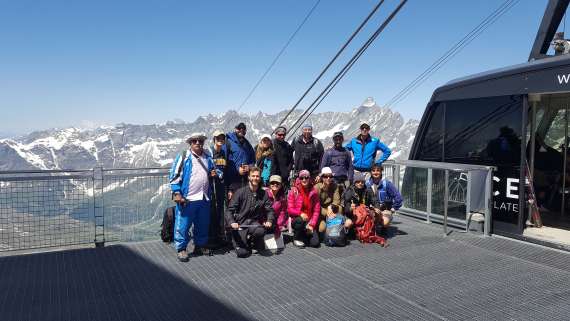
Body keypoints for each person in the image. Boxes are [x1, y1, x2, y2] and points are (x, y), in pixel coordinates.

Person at [169, 132, 218, 262]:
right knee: (183, 224)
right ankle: (181, 249)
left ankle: (200, 246)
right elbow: (174, 176)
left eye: (200, 141)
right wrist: (177, 193)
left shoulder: (208, 156)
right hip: (187, 198)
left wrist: (214, 173)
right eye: (194, 141)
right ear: (190, 143)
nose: (198, 143)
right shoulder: (184, 157)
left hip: (204, 197)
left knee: (202, 223)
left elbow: (215, 170)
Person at [225, 167, 275, 258]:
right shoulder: (240, 192)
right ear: (249, 177)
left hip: (253, 223)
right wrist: (232, 222)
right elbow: (229, 210)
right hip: (240, 224)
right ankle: (237, 239)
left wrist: (269, 220)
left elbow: (270, 210)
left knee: (261, 231)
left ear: (260, 178)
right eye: (253, 176)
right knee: (242, 253)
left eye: (257, 176)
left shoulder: (264, 193)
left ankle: (250, 240)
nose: (255, 178)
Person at [287, 169, 320, 248]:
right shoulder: (294, 191)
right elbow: (290, 209)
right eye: (302, 178)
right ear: (299, 179)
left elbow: (316, 210)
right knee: (300, 221)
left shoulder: (314, 191)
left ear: (309, 178)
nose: (304, 180)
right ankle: (296, 238)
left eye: (306, 177)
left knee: (315, 243)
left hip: (309, 221)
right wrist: (300, 213)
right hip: (297, 219)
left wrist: (312, 224)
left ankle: (304, 234)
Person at [366, 164, 403, 234]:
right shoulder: (366, 184)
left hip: (384, 209)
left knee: (385, 222)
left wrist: (393, 209)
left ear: (381, 172)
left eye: (378, 170)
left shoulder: (387, 184)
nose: (375, 172)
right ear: (370, 172)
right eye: (373, 171)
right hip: (372, 209)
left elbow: (398, 197)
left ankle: (384, 227)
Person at [224, 122, 255, 200]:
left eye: (244, 129)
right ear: (235, 129)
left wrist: (249, 167)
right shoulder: (228, 141)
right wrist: (237, 169)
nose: (241, 130)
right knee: (232, 205)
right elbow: (224, 161)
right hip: (232, 181)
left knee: (244, 204)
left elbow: (253, 160)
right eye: (239, 128)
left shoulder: (247, 144)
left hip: (244, 181)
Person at [314, 167, 348, 237]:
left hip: (331, 209)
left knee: (340, 208)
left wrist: (330, 207)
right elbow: (316, 205)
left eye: (330, 176)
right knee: (322, 228)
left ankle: (336, 226)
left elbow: (337, 200)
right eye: (325, 176)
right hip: (320, 212)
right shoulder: (316, 188)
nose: (328, 178)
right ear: (322, 178)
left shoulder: (334, 186)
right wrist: (327, 213)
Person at [208, 130, 229, 244]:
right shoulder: (209, 152)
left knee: (221, 208)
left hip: (221, 185)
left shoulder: (223, 153)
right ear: (214, 140)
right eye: (218, 138)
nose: (220, 140)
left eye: (222, 138)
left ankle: (220, 234)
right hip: (212, 185)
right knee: (213, 209)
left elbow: (223, 168)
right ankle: (212, 235)